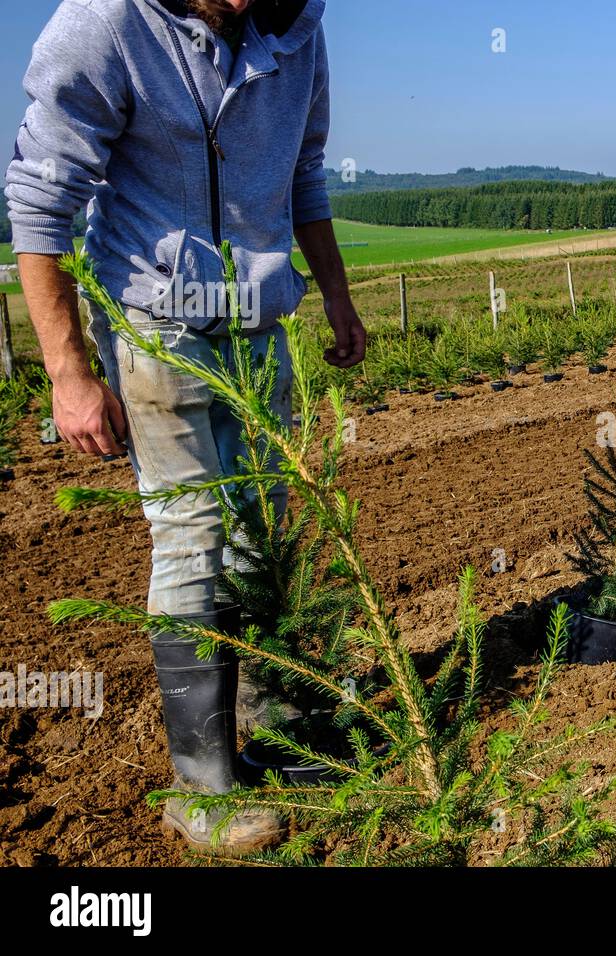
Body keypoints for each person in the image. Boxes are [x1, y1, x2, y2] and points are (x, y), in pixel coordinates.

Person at [5, 0, 367, 852]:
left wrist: (338, 294)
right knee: (194, 534)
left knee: (261, 532)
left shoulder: (298, 28)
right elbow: (39, 202)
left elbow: (303, 172)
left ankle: (275, 730)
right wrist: (68, 374)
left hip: (258, 327)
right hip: (153, 329)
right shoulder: (103, 23)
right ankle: (200, 786)